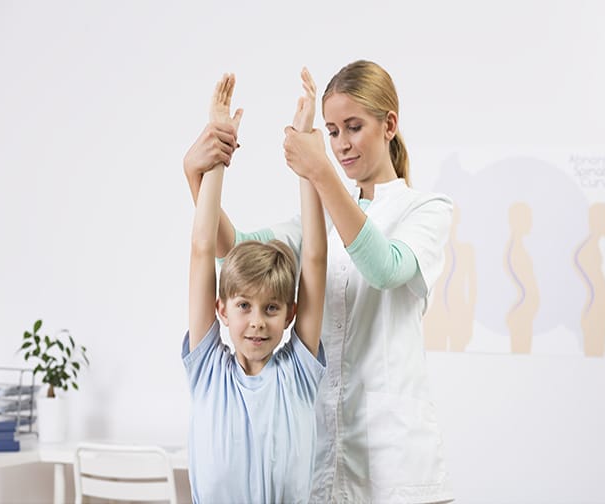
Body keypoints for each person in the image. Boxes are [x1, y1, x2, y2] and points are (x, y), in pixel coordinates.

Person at [188, 60, 454, 503]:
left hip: (395, 462)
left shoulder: (425, 209)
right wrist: (197, 173)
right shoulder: (322, 214)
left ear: (389, 125)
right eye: (331, 132)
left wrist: (319, 172)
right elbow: (233, 248)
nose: (341, 144)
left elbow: (384, 267)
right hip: (323, 461)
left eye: (353, 127)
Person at [181, 69, 327, 503]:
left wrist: (306, 164)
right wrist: (217, 157)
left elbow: (315, 260)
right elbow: (202, 247)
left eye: (271, 309)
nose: (257, 322)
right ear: (221, 309)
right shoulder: (208, 372)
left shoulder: (298, 375)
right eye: (244, 306)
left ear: (291, 313)